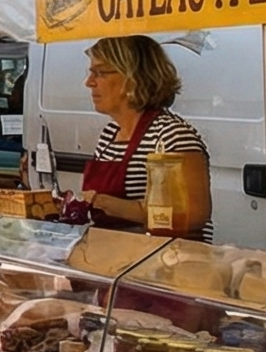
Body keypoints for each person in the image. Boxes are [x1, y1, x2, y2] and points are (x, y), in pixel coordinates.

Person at [79, 35, 212, 239]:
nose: (89, 82)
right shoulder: (108, 136)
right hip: (114, 256)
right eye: (91, 73)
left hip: (162, 261)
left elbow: (194, 215)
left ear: (133, 79)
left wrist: (114, 206)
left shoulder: (171, 136)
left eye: (101, 73)